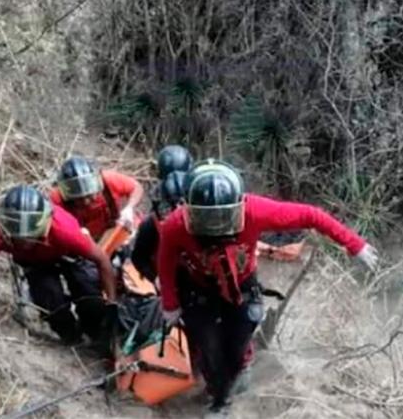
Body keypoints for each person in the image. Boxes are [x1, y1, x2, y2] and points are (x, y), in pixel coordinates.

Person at [157, 159, 378, 414]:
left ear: (239, 205)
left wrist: (355, 245)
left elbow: (311, 216)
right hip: (200, 287)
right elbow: (166, 261)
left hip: (241, 284)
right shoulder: (175, 224)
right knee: (208, 345)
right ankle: (218, 396)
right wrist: (170, 304)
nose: (216, 226)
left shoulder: (255, 211)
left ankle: (242, 368)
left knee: (238, 342)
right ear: (189, 210)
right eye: (208, 219)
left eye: (223, 216)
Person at [0, 185, 117, 345]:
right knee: (50, 302)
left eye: (29, 229)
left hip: (69, 254)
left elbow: (102, 260)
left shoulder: (65, 231)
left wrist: (111, 303)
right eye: (16, 230)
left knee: (88, 291)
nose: (23, 238)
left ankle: (97, 333)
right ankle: (72, 337)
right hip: (36, 263)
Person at [50, 155, 144, 241]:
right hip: (86, 241)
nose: (86, 201)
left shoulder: (107, 180)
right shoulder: (56, 200)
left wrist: (129, 208)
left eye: (89, 196)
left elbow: (136, 187)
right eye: (79, 199)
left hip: (116, 227)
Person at [132, 170, 186, 283]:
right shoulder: (151, 225)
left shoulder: (203, 223)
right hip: (167, 275)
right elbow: (139, 258)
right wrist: (154, 277)